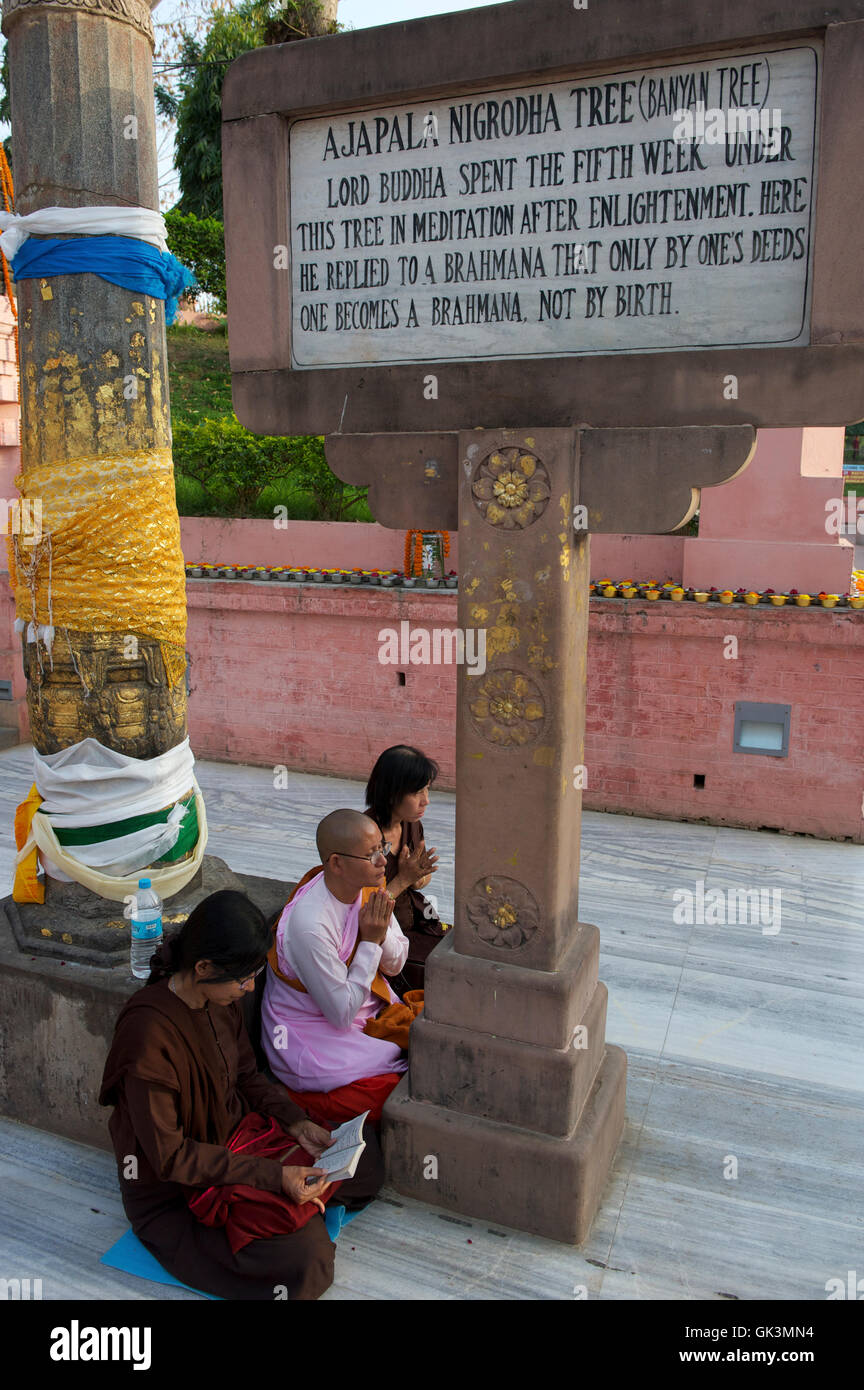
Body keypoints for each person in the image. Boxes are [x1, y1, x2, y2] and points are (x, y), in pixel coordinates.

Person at [99, 889, 383, 1301]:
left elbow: (247, 1076)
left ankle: (293, 1212)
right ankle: (292, 1219)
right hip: (180, 1187)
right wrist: (275, 1177)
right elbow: (171, 1157)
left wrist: (295, 1123)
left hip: (241, 1139)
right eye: (243, 978)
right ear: (203, 966)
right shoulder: (147, 1036)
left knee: (365, 1157)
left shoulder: (219, 997)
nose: (250, 989)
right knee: (306, 1263)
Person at [261, 809, 411, 1125]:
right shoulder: (311, 924)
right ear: (336, 864)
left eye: (382, 849)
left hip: (363, 1008)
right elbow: (340, 1014)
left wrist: (379, 936)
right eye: (372, 856)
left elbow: (396, 966)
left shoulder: (369, 886)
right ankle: (301, 1097)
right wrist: (370, 941)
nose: (384, 862)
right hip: (310, 1031)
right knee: (391, 1095)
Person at [365, 744, 445, 992]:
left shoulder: (412, 826)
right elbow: (366, 908)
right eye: (417, 792)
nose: (426, 801)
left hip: (414, 917)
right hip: (379, 934)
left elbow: (421, 878)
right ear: (392, 793)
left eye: (427, 790)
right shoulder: (365, 835)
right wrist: (404, 877)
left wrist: (418, 878)